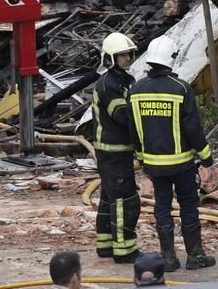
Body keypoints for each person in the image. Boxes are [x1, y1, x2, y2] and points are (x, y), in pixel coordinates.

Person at [128, 38, 216, 271]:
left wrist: (141, 158)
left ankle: (168, 258)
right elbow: (193, 128)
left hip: (154, 166)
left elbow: (134, 129)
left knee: (162, 208)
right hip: (182, 164)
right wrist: (206, 158)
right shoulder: (181, 89)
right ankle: (195, 257)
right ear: (172, 60)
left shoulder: (135, 91)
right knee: (188, 206)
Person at [92, 32, 140, 263]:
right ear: (110, 57)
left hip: (114, 150)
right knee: (124, 199)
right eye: (122, 55)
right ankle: (124, 250)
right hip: (113, 150)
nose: (127, 58)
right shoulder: (108, 83)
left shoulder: (123, 80)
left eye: (129, 53)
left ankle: (106, 245)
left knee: (109, 197)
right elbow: (121, 115)